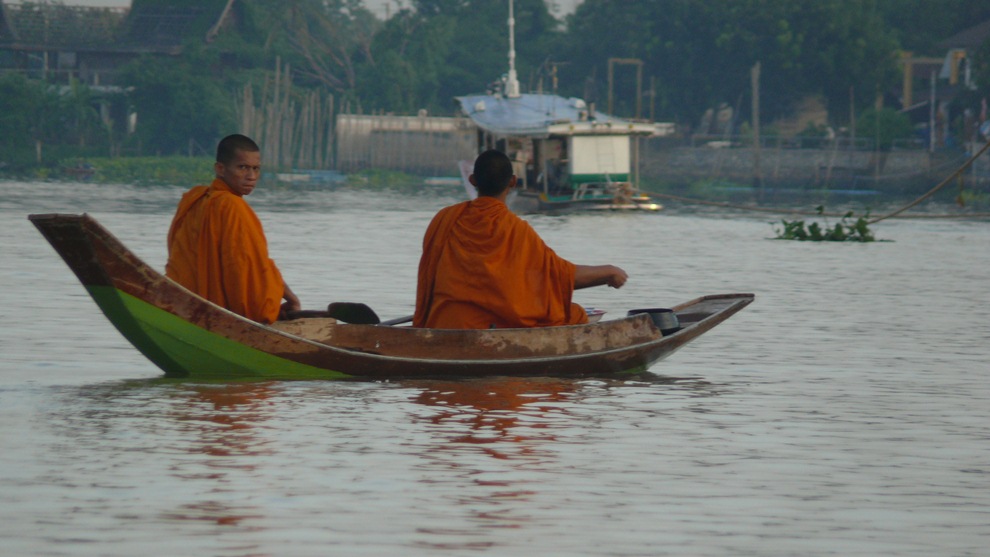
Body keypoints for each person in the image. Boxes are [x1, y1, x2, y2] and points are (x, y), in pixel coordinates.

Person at [413, 149, 627, 329]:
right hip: (492, 329)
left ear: (472, 180)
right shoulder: (517, 230)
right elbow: (557, 278)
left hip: (445, 323)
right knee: (575, 314)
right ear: (513, 182)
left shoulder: (445, 218)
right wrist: (608, 271)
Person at [165, 134, 300, 324]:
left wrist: (288, 296)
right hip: (217, 318)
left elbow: (254, 262)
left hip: (184, 308)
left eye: (256, 169)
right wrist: (283, 302)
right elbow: (244, 271)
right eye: (242, 167)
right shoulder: (231, 206)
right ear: (220, 169)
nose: (251, 176)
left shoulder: (194, 199)